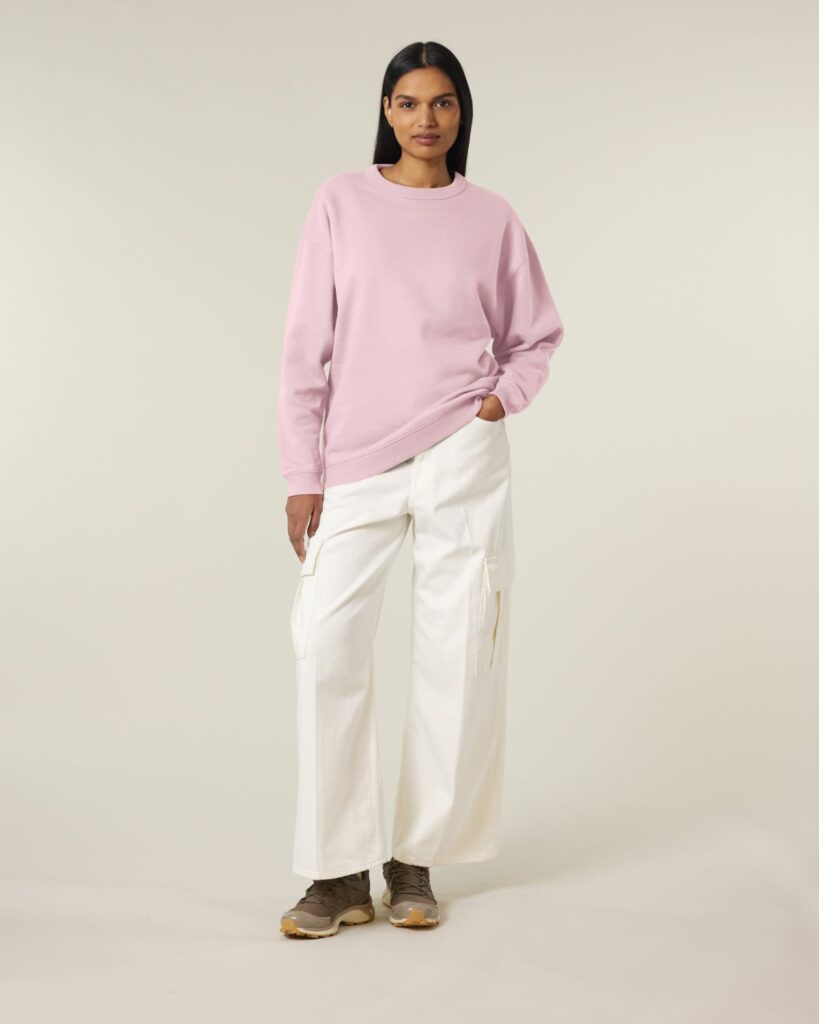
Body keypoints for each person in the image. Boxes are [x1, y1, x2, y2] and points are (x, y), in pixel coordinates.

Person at [277, 41, 565, 938]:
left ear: (460, 112)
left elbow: (535, 335)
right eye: (407, 103)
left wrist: (495, 403)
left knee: (456, 653)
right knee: (326, 646)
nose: (425, 119)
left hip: (460, 453)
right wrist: (302, 472)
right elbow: (303, 348)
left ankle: (413, 860)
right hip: (356, 460)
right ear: (386, 111)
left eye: (441, 102)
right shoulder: (341, 202)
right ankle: (334, 873)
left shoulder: (491, 218)